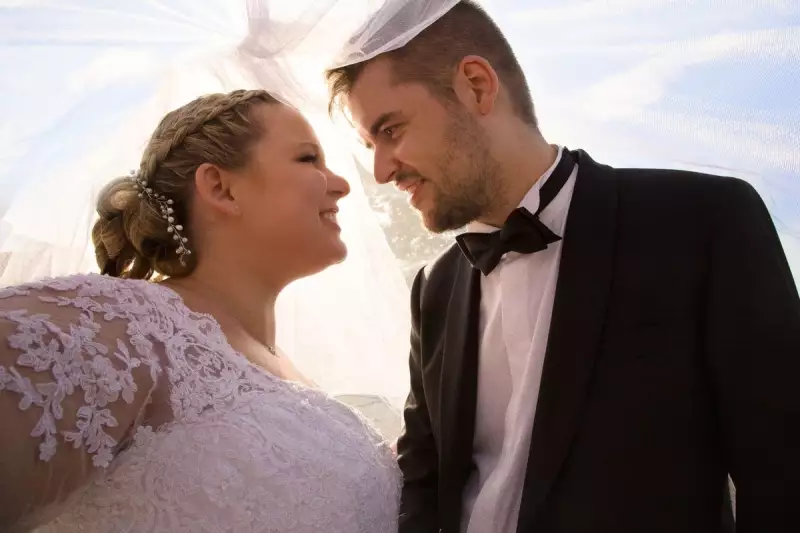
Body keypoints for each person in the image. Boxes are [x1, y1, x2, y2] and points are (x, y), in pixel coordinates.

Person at [326, 1, 800, 532]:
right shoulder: (434, 288)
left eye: (390, 131)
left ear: (477, 86)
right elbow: (423, 474)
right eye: (370, 145)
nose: (381, 170)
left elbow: (783, 472)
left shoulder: (702, 223)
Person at [0, 89, 399, 532]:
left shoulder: (288, 370)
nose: (341, 184)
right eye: (308, 159)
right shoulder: (125, 327)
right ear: (220, 188)